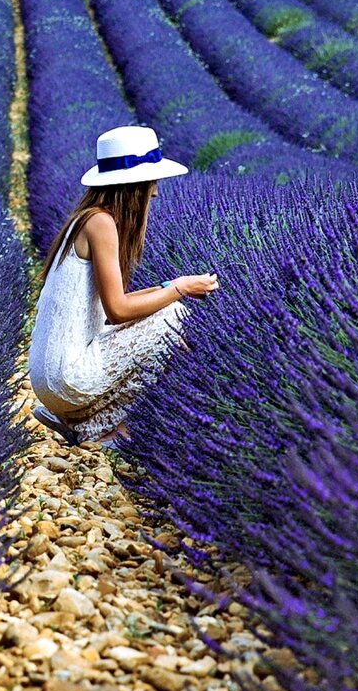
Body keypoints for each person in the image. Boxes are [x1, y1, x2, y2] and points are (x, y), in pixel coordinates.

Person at [27, 125, 219, 449]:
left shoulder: (83, 218)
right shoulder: (101, 222)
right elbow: (117, 312)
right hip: (67, 379)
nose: (156, 191)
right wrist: (181, 289)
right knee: (175, 318)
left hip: (47, 379)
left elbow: (115, 304)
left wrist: (172, 284)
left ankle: (81, 418)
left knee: (167, 310)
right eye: (152, 181)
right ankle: (107, 429)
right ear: (135, 184)